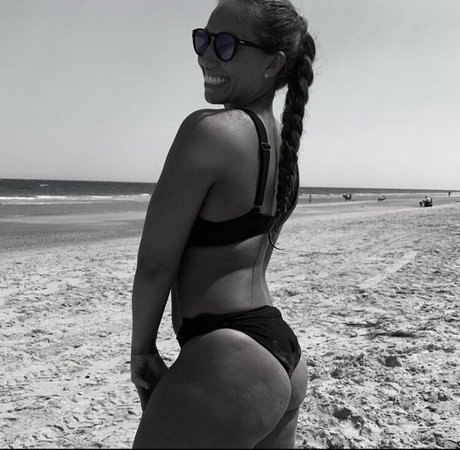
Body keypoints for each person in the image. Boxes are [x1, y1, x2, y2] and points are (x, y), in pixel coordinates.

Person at [130, 0, 316, 447]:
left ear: (272, 64)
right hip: (280, 353)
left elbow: (156, 262)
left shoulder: (209, 131)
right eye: (203, 39)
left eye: (227, 44)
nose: (207, 56)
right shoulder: (285, 154)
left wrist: (142, 349)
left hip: (228, 359)